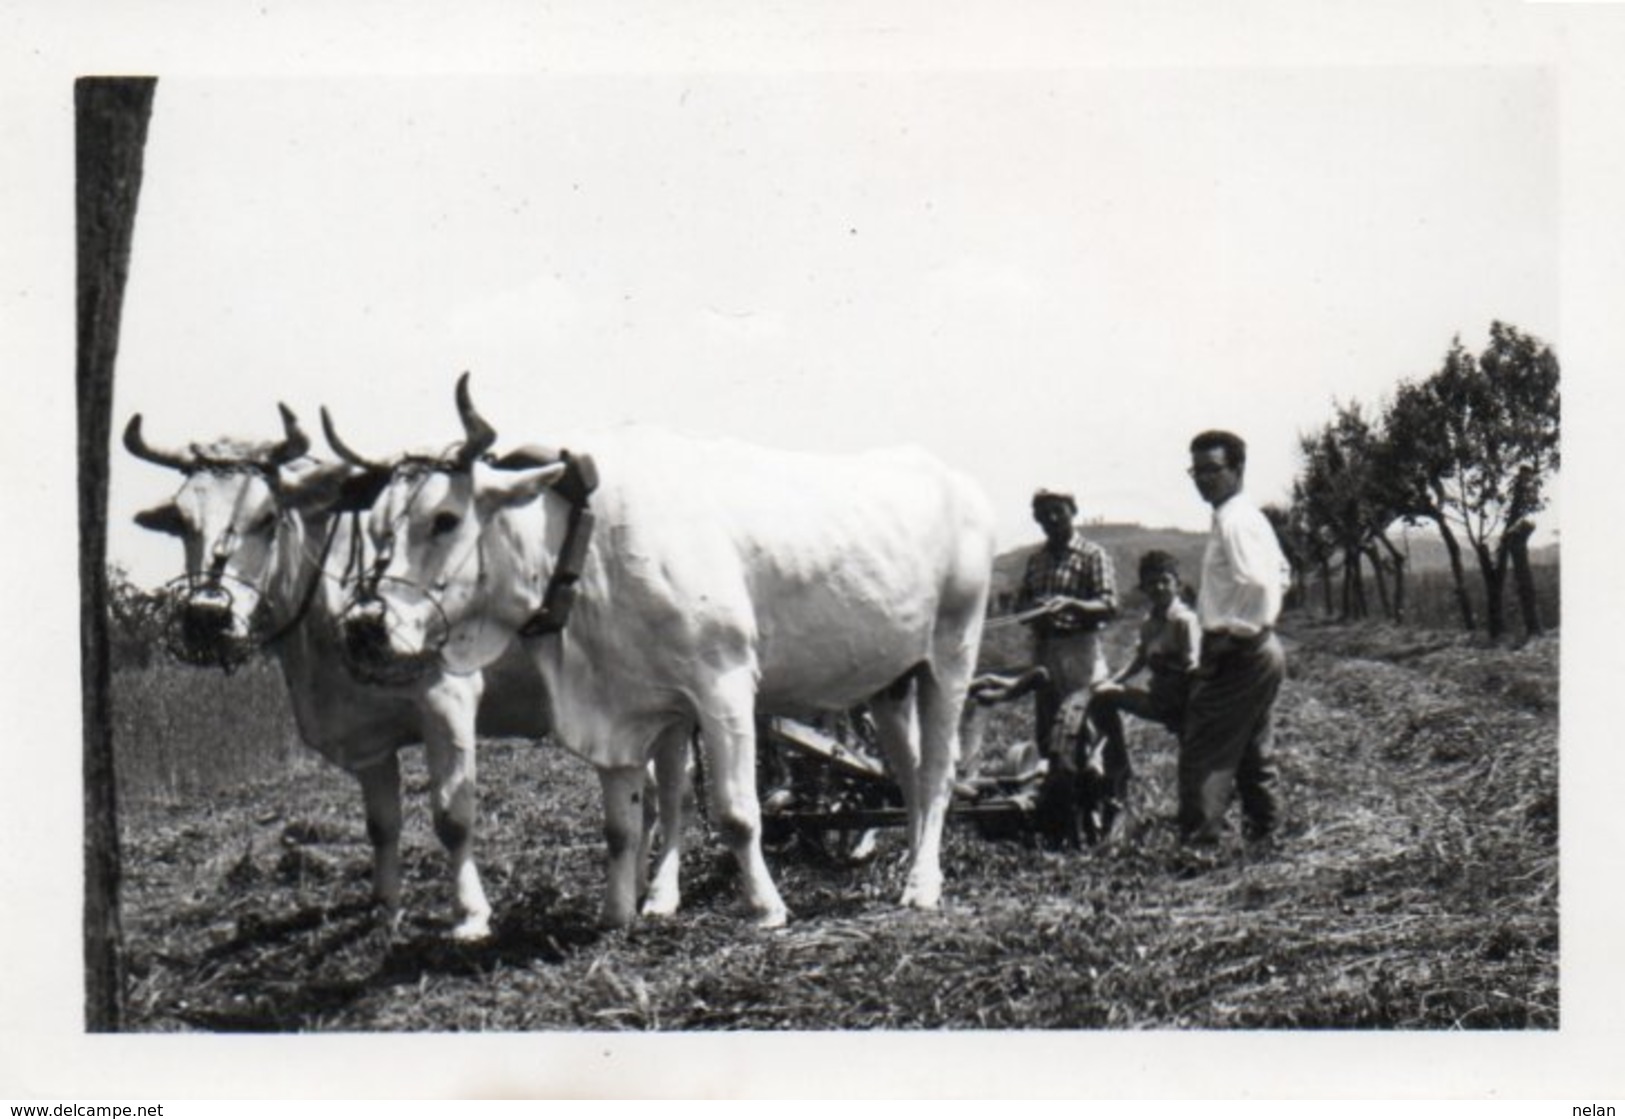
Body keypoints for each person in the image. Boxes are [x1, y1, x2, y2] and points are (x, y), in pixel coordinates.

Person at [1181, 430, 1291, 846]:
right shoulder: (1242, 517)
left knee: (1205, 751)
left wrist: (1234, 635)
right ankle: (1266, 837)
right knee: (1251, 752)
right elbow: (1282, 574)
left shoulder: (1236, 521)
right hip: (1258, 649)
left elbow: (1261, 585)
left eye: (1213, 469)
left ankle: (1202, 848)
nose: (1203, 479)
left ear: (1238, 469)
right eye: (1196, 470)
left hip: (1240, 650)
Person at [1084, 549, 1203, 834]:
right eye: (1152, 583)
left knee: (1194, 765)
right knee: (1104, 697)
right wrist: (1112, 681)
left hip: (1187, 702)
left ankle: (1197, 817)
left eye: (1164, 581)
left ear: (1177, 582)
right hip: (1159, 700)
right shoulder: (1150, 622)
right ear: (1144, 588)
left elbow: (1193, 665)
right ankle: (1117, 769)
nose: (1159, 588)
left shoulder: (1185, 620)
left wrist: (1169, 666)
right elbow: (1138, 660)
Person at [1016, 489, 1118, 753]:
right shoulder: (1036, 560)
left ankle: (1103, 785)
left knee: (1086, 718)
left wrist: (1071, 605)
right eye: (1043, 514)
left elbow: (1108, 605)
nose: (1051, 519)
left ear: (1072, 512)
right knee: (1049, 722)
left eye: (1058, 511)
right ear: (1037, 519)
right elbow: (1020, 607)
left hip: (1079, 648)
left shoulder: (1093, 554)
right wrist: (1034, 609)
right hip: (1044, 648)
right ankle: (1055, 784)